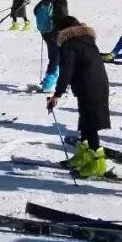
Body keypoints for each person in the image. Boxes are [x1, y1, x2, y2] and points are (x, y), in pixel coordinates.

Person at [48, 16, 112, 179]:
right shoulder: (86, 39)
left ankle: (98, 165)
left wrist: (57, 94)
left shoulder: (69, 44)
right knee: (85, 122)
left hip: (88, 86)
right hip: (97, 84)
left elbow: (66, 71)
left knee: (90, 125)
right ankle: (84, 156)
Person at [34, 0, 69, 92]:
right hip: (56, 33)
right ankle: (48, 84)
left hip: (45, 32)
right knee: (56, 58)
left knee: (54, 56)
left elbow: (35, 11)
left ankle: (53, 79)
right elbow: (63, 18)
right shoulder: (61, 0)